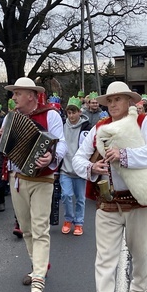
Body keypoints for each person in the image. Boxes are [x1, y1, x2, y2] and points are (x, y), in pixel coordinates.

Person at [72, 81, 147, 292]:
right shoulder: (98, 128)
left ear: (128, 101)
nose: (113, 105)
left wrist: (124, 156)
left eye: (118, 100)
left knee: (140, 252)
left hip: (136, 201)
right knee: (104, 260)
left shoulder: (142, 122)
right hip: (108, 202)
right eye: (109, 101)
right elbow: (78, 159)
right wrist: (92, 169)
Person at [0, 77, 67, 292]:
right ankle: (38, 266)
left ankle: (38, 279)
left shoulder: (51, 115)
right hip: (17, 176)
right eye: (14, 93)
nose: (14, 97)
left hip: (42, 179)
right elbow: (0, 147)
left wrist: (51, 156)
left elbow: (62, 143)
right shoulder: (10, 117)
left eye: (18, 93)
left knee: (40, 228)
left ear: (31, 96)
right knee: (26, 228)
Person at [60, 96, 91, 236]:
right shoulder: (62, 126)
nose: (71, 115)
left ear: (80, 112)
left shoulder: (86, 127)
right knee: (66, 195)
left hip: (79, 170)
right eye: (69, 113)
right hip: (65, 169)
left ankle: (79, 223)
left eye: (74, 112)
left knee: (80, 198)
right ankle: (68, 219)